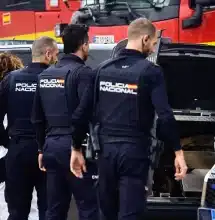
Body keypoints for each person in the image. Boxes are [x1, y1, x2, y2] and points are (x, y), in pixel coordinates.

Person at [70, 18, 188, 220]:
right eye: (153, 43)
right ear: (144, 39)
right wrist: (178, 152)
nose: (153, 48)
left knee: (107, 213)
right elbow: (165, 116)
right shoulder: (151, 72)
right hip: (134, 154)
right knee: (130, 214)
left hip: (105, 154)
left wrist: (76, 149)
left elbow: (81, 113)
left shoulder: (101, 70)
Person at [31, 25, 99, 220]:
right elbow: (86, 113)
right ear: (84, 45)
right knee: (89, 208)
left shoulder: (44, 75)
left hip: (51, 148)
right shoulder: (84, 73)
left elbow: (37, 118)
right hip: (75, 149)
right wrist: (78, 146)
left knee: (54, 210)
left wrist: (41, 149)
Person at [0, 37, 58, 220]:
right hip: (48, 151)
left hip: (18, 150)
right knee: (48, 210)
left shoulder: (11, 79)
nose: (57, 58)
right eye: (56, 54)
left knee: (17, 211)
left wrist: (7, 143)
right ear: (48, 54)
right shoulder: (55, 80)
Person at [0, 52, 42, 220]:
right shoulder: (43, 80)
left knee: (15, 208)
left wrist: (7, 143)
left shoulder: (8, 86)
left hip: (14, 150)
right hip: (39, 148)